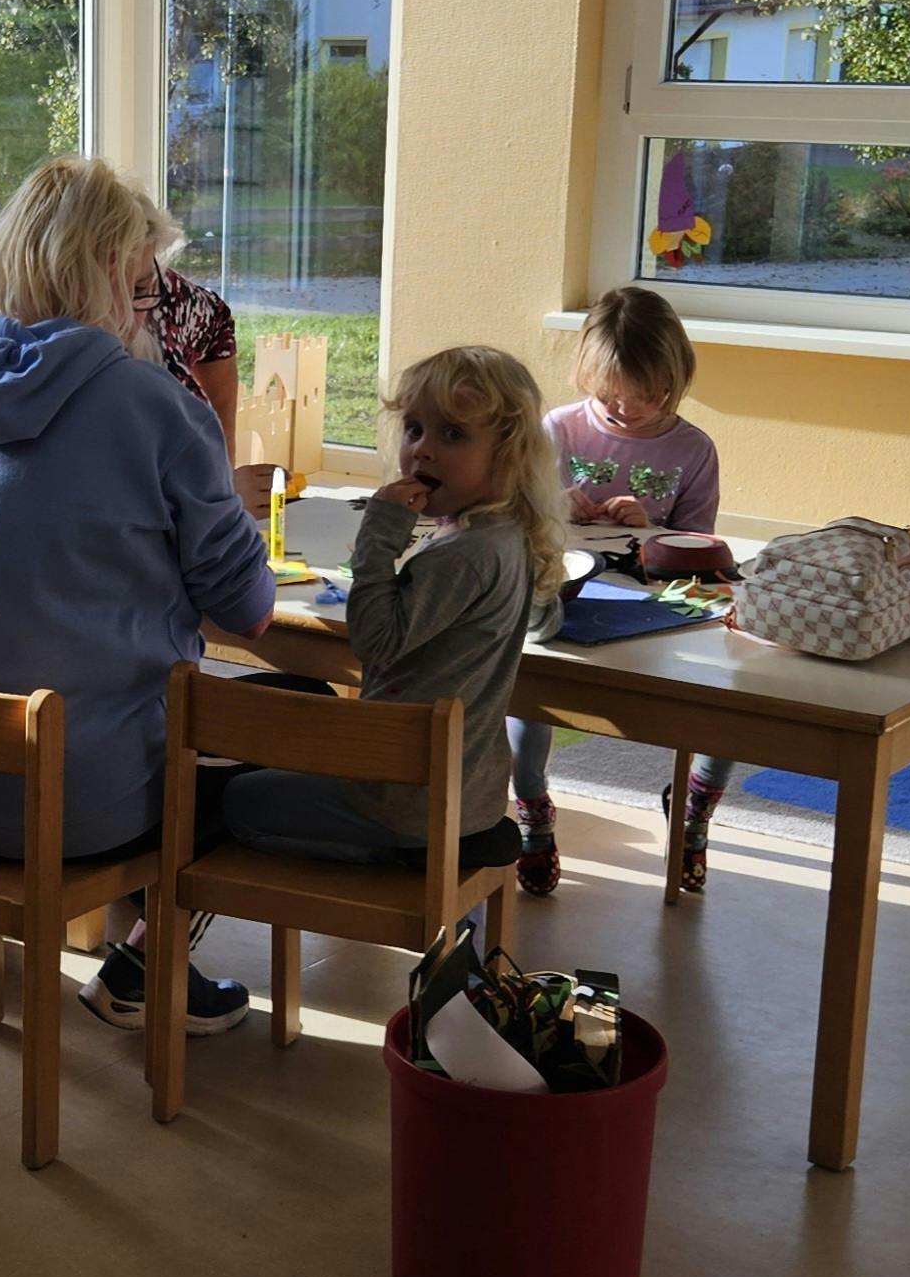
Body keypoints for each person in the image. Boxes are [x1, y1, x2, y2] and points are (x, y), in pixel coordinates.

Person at [0, 157, 278, 1035]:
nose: (145, 310)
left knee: (4, 647)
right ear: (113, 279)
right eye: (143, 288)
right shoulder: (154, 406)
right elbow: (247, 609)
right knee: (262, 739)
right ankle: (146, 965)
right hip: (74, 801)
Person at [220, 346, 560, 866]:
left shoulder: (465, 554)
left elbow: (374, 644)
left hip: (406, 800)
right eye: (415, 429)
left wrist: (379, 537)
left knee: (230, 799)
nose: (421, 451)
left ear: (507, 454)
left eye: (453, 434)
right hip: (461, 791)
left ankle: (384, 859)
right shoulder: (502, 535)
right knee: (277, 745)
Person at [511, 286, 734, 897]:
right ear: (587, 373)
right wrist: (556, 504)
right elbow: (518, 514)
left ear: (676, 381)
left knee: (728, 695)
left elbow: (698, 549)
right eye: (611, 395)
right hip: (569, 591)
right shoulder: (556, 429)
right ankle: (530, 804)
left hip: (653, 600)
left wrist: (655, 527)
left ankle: (694, 807)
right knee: (526, 680)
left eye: (650, 396)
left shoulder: (692, 449)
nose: (629, 409)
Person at [136, 259, 241, 449]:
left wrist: (225, 470)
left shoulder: (166, 294)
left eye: (138, 289)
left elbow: (217, 321)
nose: (121, 311)